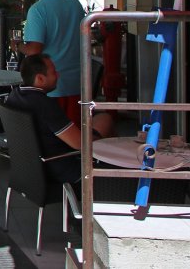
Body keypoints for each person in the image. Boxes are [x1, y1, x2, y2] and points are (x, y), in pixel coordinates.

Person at [7, 54, 114, 185]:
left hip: (30, 170)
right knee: (106, 124)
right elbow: (79, 144)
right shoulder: (44, 105)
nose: (58, 75)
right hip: (65, 171)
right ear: (40, 78)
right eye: (53, 72)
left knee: (103, 119)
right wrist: (104, 142)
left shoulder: (14, 96)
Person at [23, 0, 85, 127]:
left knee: (55, 133)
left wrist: (17, 45)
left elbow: (34, 50)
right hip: (78, 80)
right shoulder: (75, 4)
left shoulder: (38, 9)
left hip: (51, 84)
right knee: (77, 132)